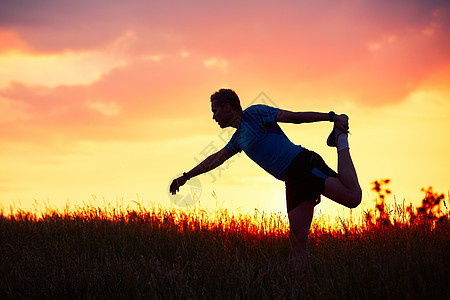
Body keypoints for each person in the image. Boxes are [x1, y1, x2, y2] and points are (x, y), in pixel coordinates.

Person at [169, 88, 362, 267]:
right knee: (297, 240)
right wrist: (186, 176)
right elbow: (216, 159)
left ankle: (340, 138)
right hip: (293, 180)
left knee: (353, 198)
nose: (213, 117)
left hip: (303, 164)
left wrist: (331, 117)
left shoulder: (254, 114)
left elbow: (294, 118)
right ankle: (301, 289)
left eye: (215, 110)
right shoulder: (238, 139)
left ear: (227, 107)